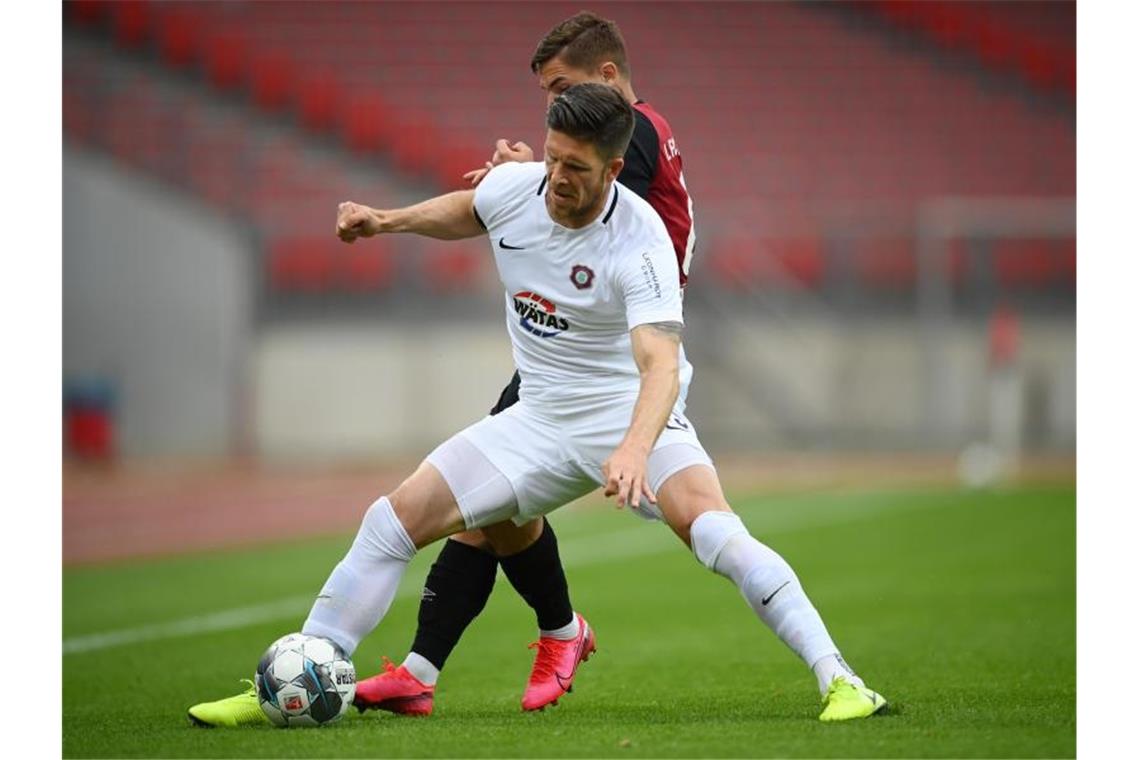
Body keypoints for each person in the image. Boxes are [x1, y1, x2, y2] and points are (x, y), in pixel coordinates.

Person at [191, 83, 886, 728]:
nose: (557, 177)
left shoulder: (639, 241)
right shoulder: (522, 187)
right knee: (392, 519)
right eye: (552, 158)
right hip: (536, 418)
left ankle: (841, 679)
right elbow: (472, 207)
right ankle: (295, 680)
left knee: (713, 532)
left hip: (627, 410)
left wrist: (636, 448)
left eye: (576, 168)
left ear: (614, 169)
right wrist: (385, 221)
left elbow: (661, 363)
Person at [351, 10, 699, 717]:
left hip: (607, 353)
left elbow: (571, 189)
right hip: (577, 343)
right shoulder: (619, 138)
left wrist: (525, 175)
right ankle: (443, 664)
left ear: (606, 80)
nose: (555, 109)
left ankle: (548, 633)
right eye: (547, 97)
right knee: (491, 514)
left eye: (562, 88)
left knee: (489, 507)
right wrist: (513, 182)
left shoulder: (626, 137)